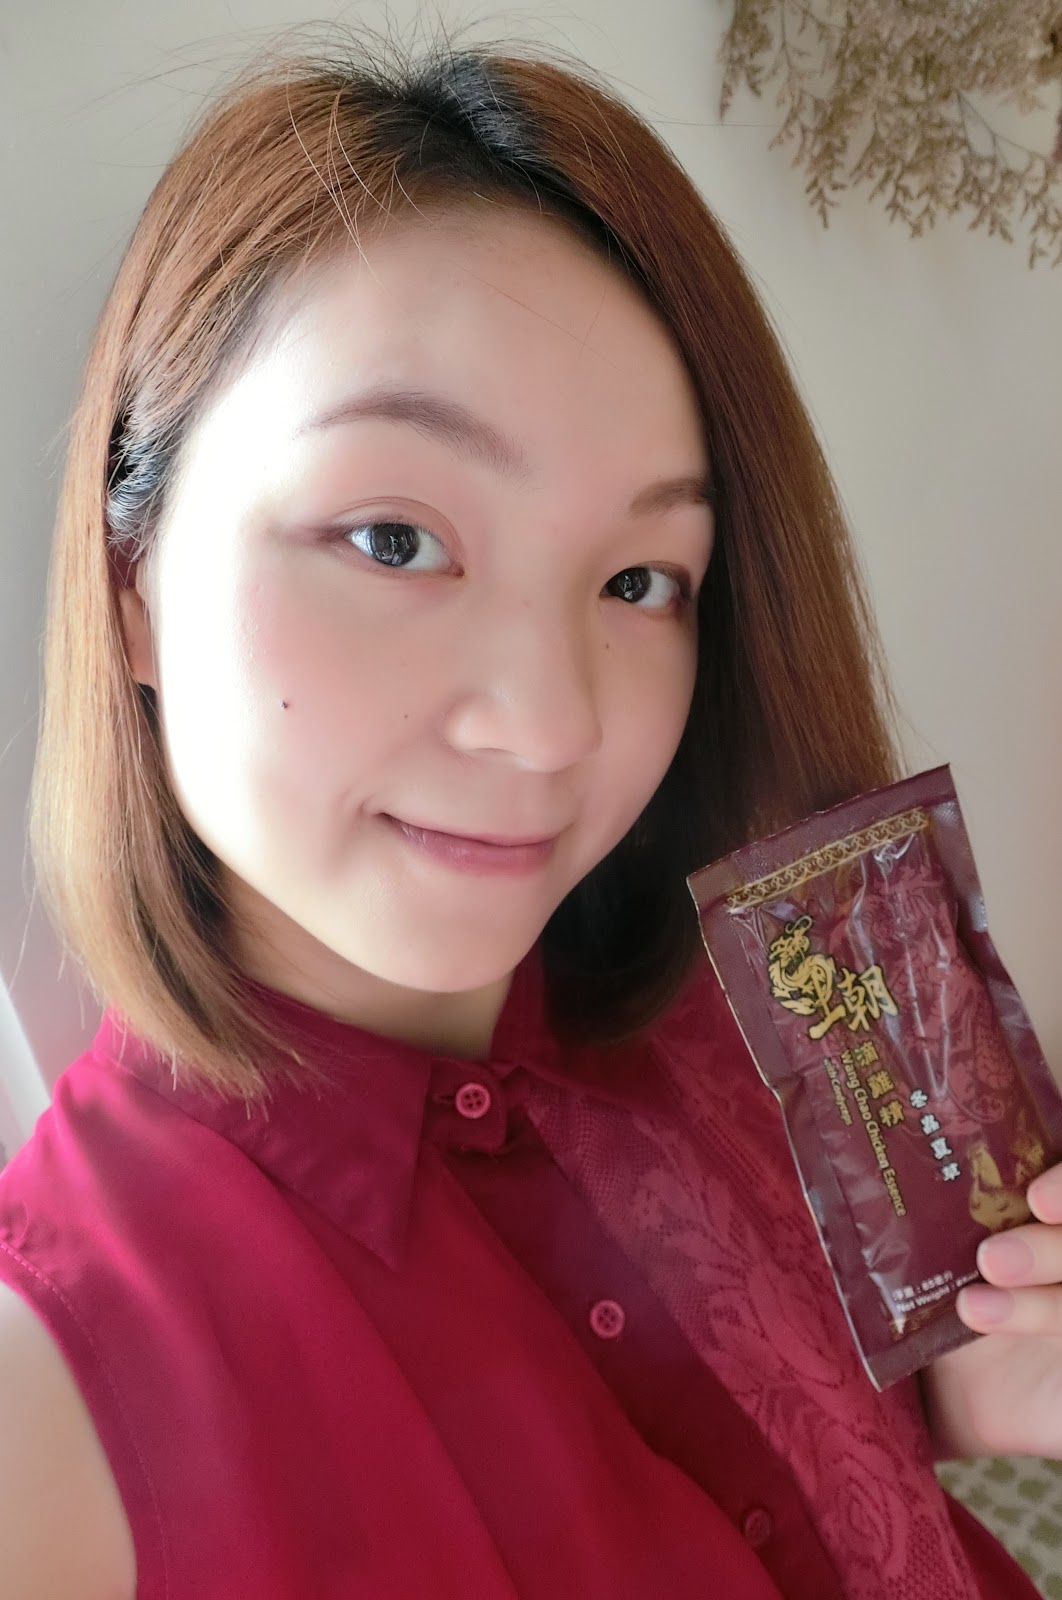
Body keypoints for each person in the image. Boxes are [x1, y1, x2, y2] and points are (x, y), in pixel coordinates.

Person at [0, 27, 1058, 1600]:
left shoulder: (765, 1010)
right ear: (131, 583)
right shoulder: (52, 1398)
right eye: (392, 538)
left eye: (637, 580)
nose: (554, 723)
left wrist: (977, 1388)